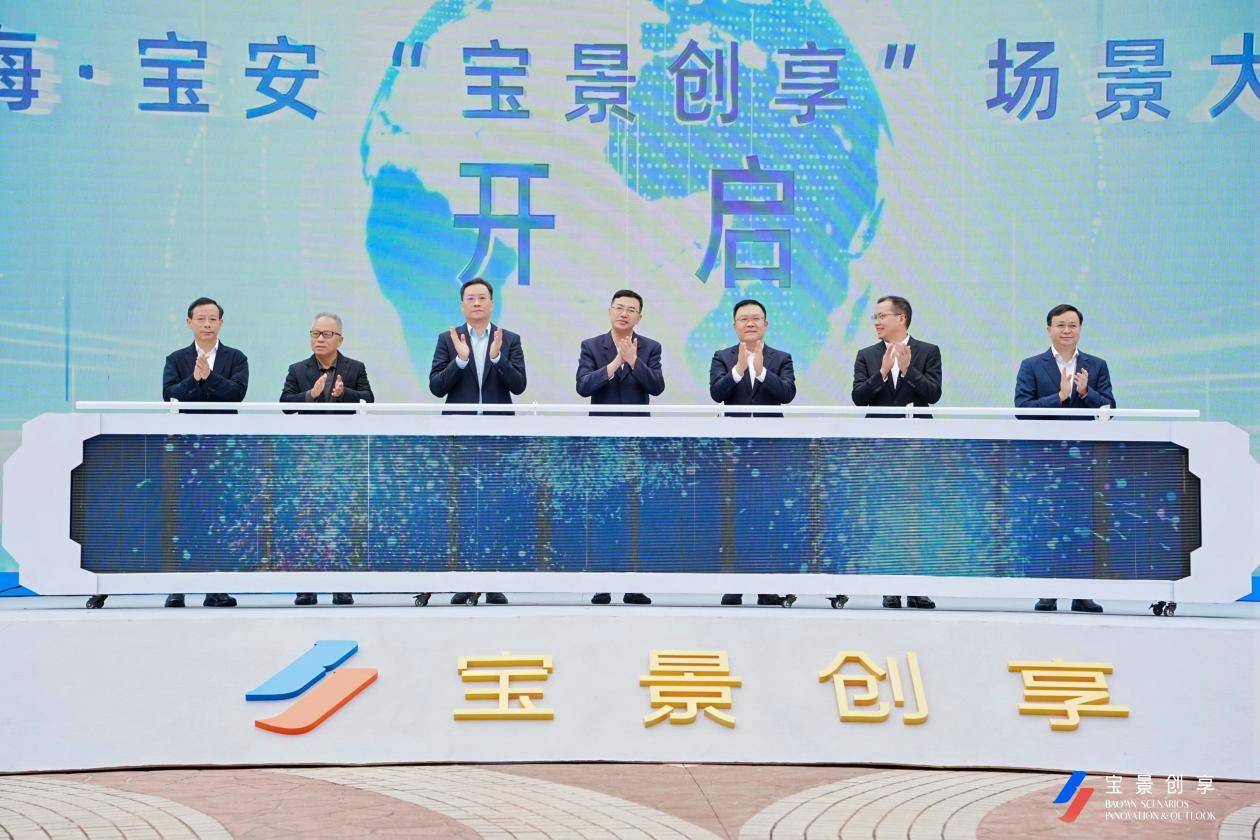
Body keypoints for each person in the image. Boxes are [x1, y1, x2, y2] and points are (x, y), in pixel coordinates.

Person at [87, 297, 248, 609]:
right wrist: (195, 379)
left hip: (222, 447)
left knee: (216, 515)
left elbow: (236, 394)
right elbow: (169, 395)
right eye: (200, 318)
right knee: (180, 515)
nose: (207, 324)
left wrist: (209, 377)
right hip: (184, 447)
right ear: (189, 322)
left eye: (212, 319)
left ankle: (215, 588)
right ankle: (177, 588)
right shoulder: (176, 359)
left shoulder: (236, 358)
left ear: (221, 323)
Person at [429, 277, 526, 606]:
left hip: (498, 437)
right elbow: (436, 387)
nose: (477, 303)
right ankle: (466, 580)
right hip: (461, 438)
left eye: (482, 297)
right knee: (464, 510)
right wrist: (459, 361)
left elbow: (519, 385)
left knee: (497, 509)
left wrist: (498, 358)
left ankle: (494, 581)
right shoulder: (448, 339)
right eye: (470, 298)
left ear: (492, 303)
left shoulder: (509, 339)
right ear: (462, 305)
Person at [1015, 303, 1115, 614]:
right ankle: (1048, 592)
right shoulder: (1032, 365)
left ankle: (1083, 593)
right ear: (1049, 329)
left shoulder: (1096, 365)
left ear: (1080, 329)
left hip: (1085, 459)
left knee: (1085, 524)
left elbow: (1109, 410)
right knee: (1048, 524)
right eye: (1061, 325)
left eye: (1072, 325)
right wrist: (1058, 397)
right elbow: (1021, 410)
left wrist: (1086, 394)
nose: (1067, 330)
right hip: (1046, 458)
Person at [851, 295, 942, 610]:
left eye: (882, 316)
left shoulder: (928, 351)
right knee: (884, 514)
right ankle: (889, 586)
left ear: (901, 318)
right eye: (875, 317)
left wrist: (907, 371)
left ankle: (916, 587)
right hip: (879, 448)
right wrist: (882, 372)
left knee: (916, 516)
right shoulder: (867, 355)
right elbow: (858, 398)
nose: (877, 322)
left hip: (917, 447)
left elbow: (933, 394)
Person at [280, 312, 374, 607]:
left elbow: (369, 400)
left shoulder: (354, 368)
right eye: (315, 333)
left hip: (343, 457)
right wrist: (310, 394)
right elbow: (285, 404)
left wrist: (344, 393)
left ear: (340, 339)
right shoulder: (298, 369)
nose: (319, 339)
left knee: (342, 519)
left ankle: (341, 585)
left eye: (326, 334)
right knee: (307, 519)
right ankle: (306, 587)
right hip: (308, 458)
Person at [577, 289, 664, 606]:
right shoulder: (591, 346)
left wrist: (634, 361)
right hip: (601, 444)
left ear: (639, 316)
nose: (624, 313)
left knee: (634, 514)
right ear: (610, 311)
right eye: (619, 307)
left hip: (636, 443)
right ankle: (602, 583)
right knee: (603, 512)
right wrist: (615, 363)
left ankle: (633, 584)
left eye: (631, 309)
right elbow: (583, 386)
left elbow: (657, 386)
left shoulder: (650, 347)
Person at [709, 298, 796, 608]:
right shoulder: (722, 357)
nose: (750, 323)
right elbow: (717, 393)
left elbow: (787, 394)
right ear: (734, 325)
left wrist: (761, 372)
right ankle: (734, 585)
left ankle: (766, 587)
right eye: (744, 318)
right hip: (734, 450)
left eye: (756, 318)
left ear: (765, 324)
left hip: (769, 450)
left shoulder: (781, 358)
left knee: (766, 516)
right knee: (734, 516)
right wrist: (739, 370)